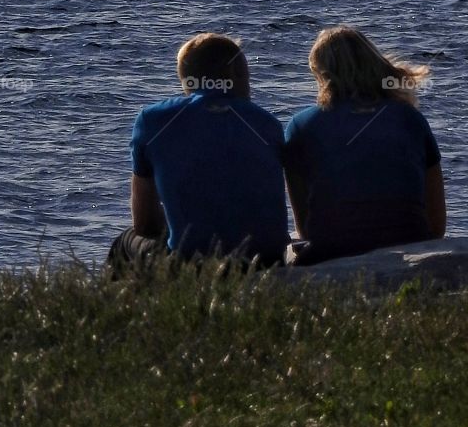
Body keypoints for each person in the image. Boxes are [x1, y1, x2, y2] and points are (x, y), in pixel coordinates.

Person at [108, 32, 289, 270]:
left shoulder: (153, 121)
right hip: (265, 261)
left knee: (125, 242)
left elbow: (144, 224)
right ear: (234, 74)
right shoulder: (267, 124)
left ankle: (123, 306)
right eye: (247, 75)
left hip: (194, 263)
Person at [284, 25, 446, 265]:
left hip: (333, 253)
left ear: (321, 74)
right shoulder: (409, 118)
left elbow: (307, 228)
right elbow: (437, 224)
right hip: (412, 242)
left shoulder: (301, 125)